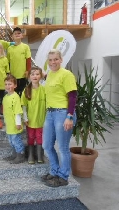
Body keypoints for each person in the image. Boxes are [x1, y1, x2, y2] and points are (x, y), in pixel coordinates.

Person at [41, 49, 77, 187]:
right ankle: (54, 171)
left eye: (55, 59)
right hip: (50, 113)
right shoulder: (50, 74)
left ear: (61, 60)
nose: (53, 62)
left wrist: (70, 117)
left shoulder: (66, 74)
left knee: (62, 147)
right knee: (47, 145)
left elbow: (72, 96)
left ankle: (63, 176)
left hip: (63, 113)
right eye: (50, 60)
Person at [20, 67, 46, 164]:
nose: (35, 76)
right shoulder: (26, 90)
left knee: (40, 137)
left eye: (37, 74)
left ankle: (40, 155)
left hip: (41, 120)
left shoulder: (44, 90)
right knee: (30, 137)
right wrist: (25, 118)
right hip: (30, 120)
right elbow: (24, 106)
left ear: (41, 76)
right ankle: (30, 155)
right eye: (32, 74)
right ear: (29, 77)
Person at [2, 75, 25, 164]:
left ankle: (20, 155)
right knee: (11, 141)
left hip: (15, 124)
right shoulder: (5, 97)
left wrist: (18, 123)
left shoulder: (15, 97)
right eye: (6, 84)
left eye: (10, 84)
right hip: (9, 124)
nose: (8, 86)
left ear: (15, 85)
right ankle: (15, 154)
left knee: (16, 140)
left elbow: (17, 111)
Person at [7, 27, 32, 96]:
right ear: (12, 36)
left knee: (23, 93)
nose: (17, 34)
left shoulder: (25, 47)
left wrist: (28, 71)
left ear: (22, 35)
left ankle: (22, 106)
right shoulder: (9, 49)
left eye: (19, 33)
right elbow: (8, 62)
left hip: (22, 75)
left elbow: (28, 60)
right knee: (14, 93)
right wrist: (8, 73)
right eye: (15, 33)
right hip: (13, 76)